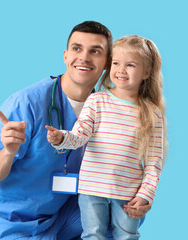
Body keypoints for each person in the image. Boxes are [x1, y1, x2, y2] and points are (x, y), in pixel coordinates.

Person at [0, 21, 151, 240]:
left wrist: (141, 196)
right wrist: (8, 151)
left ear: (107, 63)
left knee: (125, 205)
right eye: (77, 49)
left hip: (60, 216)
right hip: (11, 218)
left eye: (95, 51)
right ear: (65, 56)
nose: (84, 57)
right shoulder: (26, 103)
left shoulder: (108, 109)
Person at [46, 35, 166, 239]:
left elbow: (154, 162)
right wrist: (62, 138)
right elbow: (80, 134)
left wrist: (146, 194)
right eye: (116, 63)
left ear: (146, 72)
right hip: (92, 188)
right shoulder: (96, 101)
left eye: (130, 65)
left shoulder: (152, 113)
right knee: (93, 235)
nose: (121, 70)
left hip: (129, 192)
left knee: (127, 236)